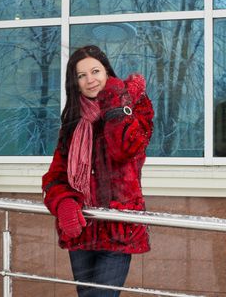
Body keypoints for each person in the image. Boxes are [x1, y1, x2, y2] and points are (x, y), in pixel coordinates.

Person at [42, 45, 154, 297]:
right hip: (82, 230)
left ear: (107, 73)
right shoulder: (72, 122)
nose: (90, 80)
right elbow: (55, 176)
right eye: (81, 75)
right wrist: (64, 204)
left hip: (118, 230)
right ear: (75, 83)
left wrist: (115, 101)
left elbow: (125, 150)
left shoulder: (134, 107)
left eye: (95, 71)